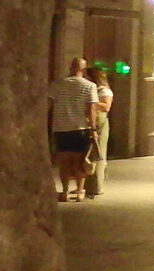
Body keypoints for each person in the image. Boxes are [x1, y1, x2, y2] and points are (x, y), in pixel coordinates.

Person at [49, 57, 100, 201]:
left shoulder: (58, 84)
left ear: (70, 68)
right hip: (80, 128)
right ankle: (79, 192)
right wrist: (93, 129)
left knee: (63, 162)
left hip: (60, 128)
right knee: (80, 162)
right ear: (83, 70)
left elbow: (48, 103)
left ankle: (64, 192)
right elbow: (91, 110)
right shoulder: (89, 86)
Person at [80, 62, 115, 197]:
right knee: (88, 156)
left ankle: (96, 186)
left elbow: (106, 107)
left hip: (100, 124)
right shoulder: (92, 90)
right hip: (91, 122)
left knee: (98, 154)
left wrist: (93, 103)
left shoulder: (104, 91)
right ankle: (87, 184)